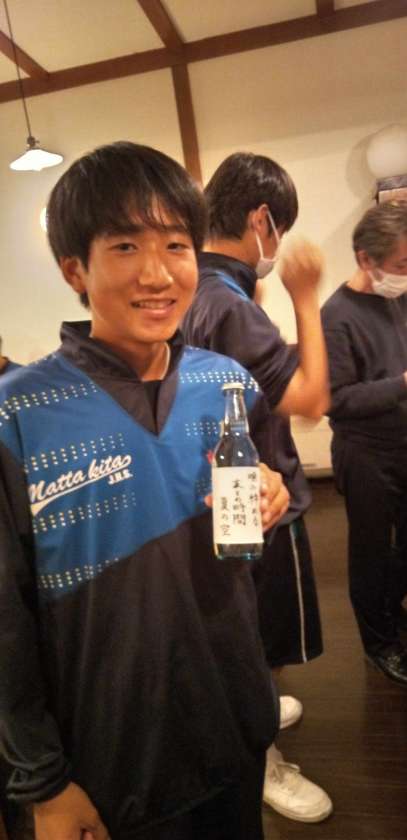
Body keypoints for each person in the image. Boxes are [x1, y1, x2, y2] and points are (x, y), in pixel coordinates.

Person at [0, 141, 292, 840]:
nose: (157, 274)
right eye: (126, 246)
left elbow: (256, 532)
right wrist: (43, 785)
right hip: (109, 764)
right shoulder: (19, 414)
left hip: (233, 724)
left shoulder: (227, 383)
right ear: (75, 268)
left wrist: (274, 497)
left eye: (176, 245)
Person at [182, 151, 332, 824]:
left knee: (239, 628)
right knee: (261, 641)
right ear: (262, 219)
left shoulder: (201, 288)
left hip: (220, 495)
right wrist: (305, 295)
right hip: (262, 498)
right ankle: (261, 758)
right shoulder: (229, 302)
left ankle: (258, 714)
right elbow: (310, 399)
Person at [321, 201, 407, 686]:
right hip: (366, 454)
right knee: (371, 553)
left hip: (403, 442)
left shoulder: (398, 298)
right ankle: (378, 644)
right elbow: (336, 400)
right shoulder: (336, 316)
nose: (406, 274)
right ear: (365, 259)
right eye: (402, 264)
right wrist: (402, 385)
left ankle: (392, 614)